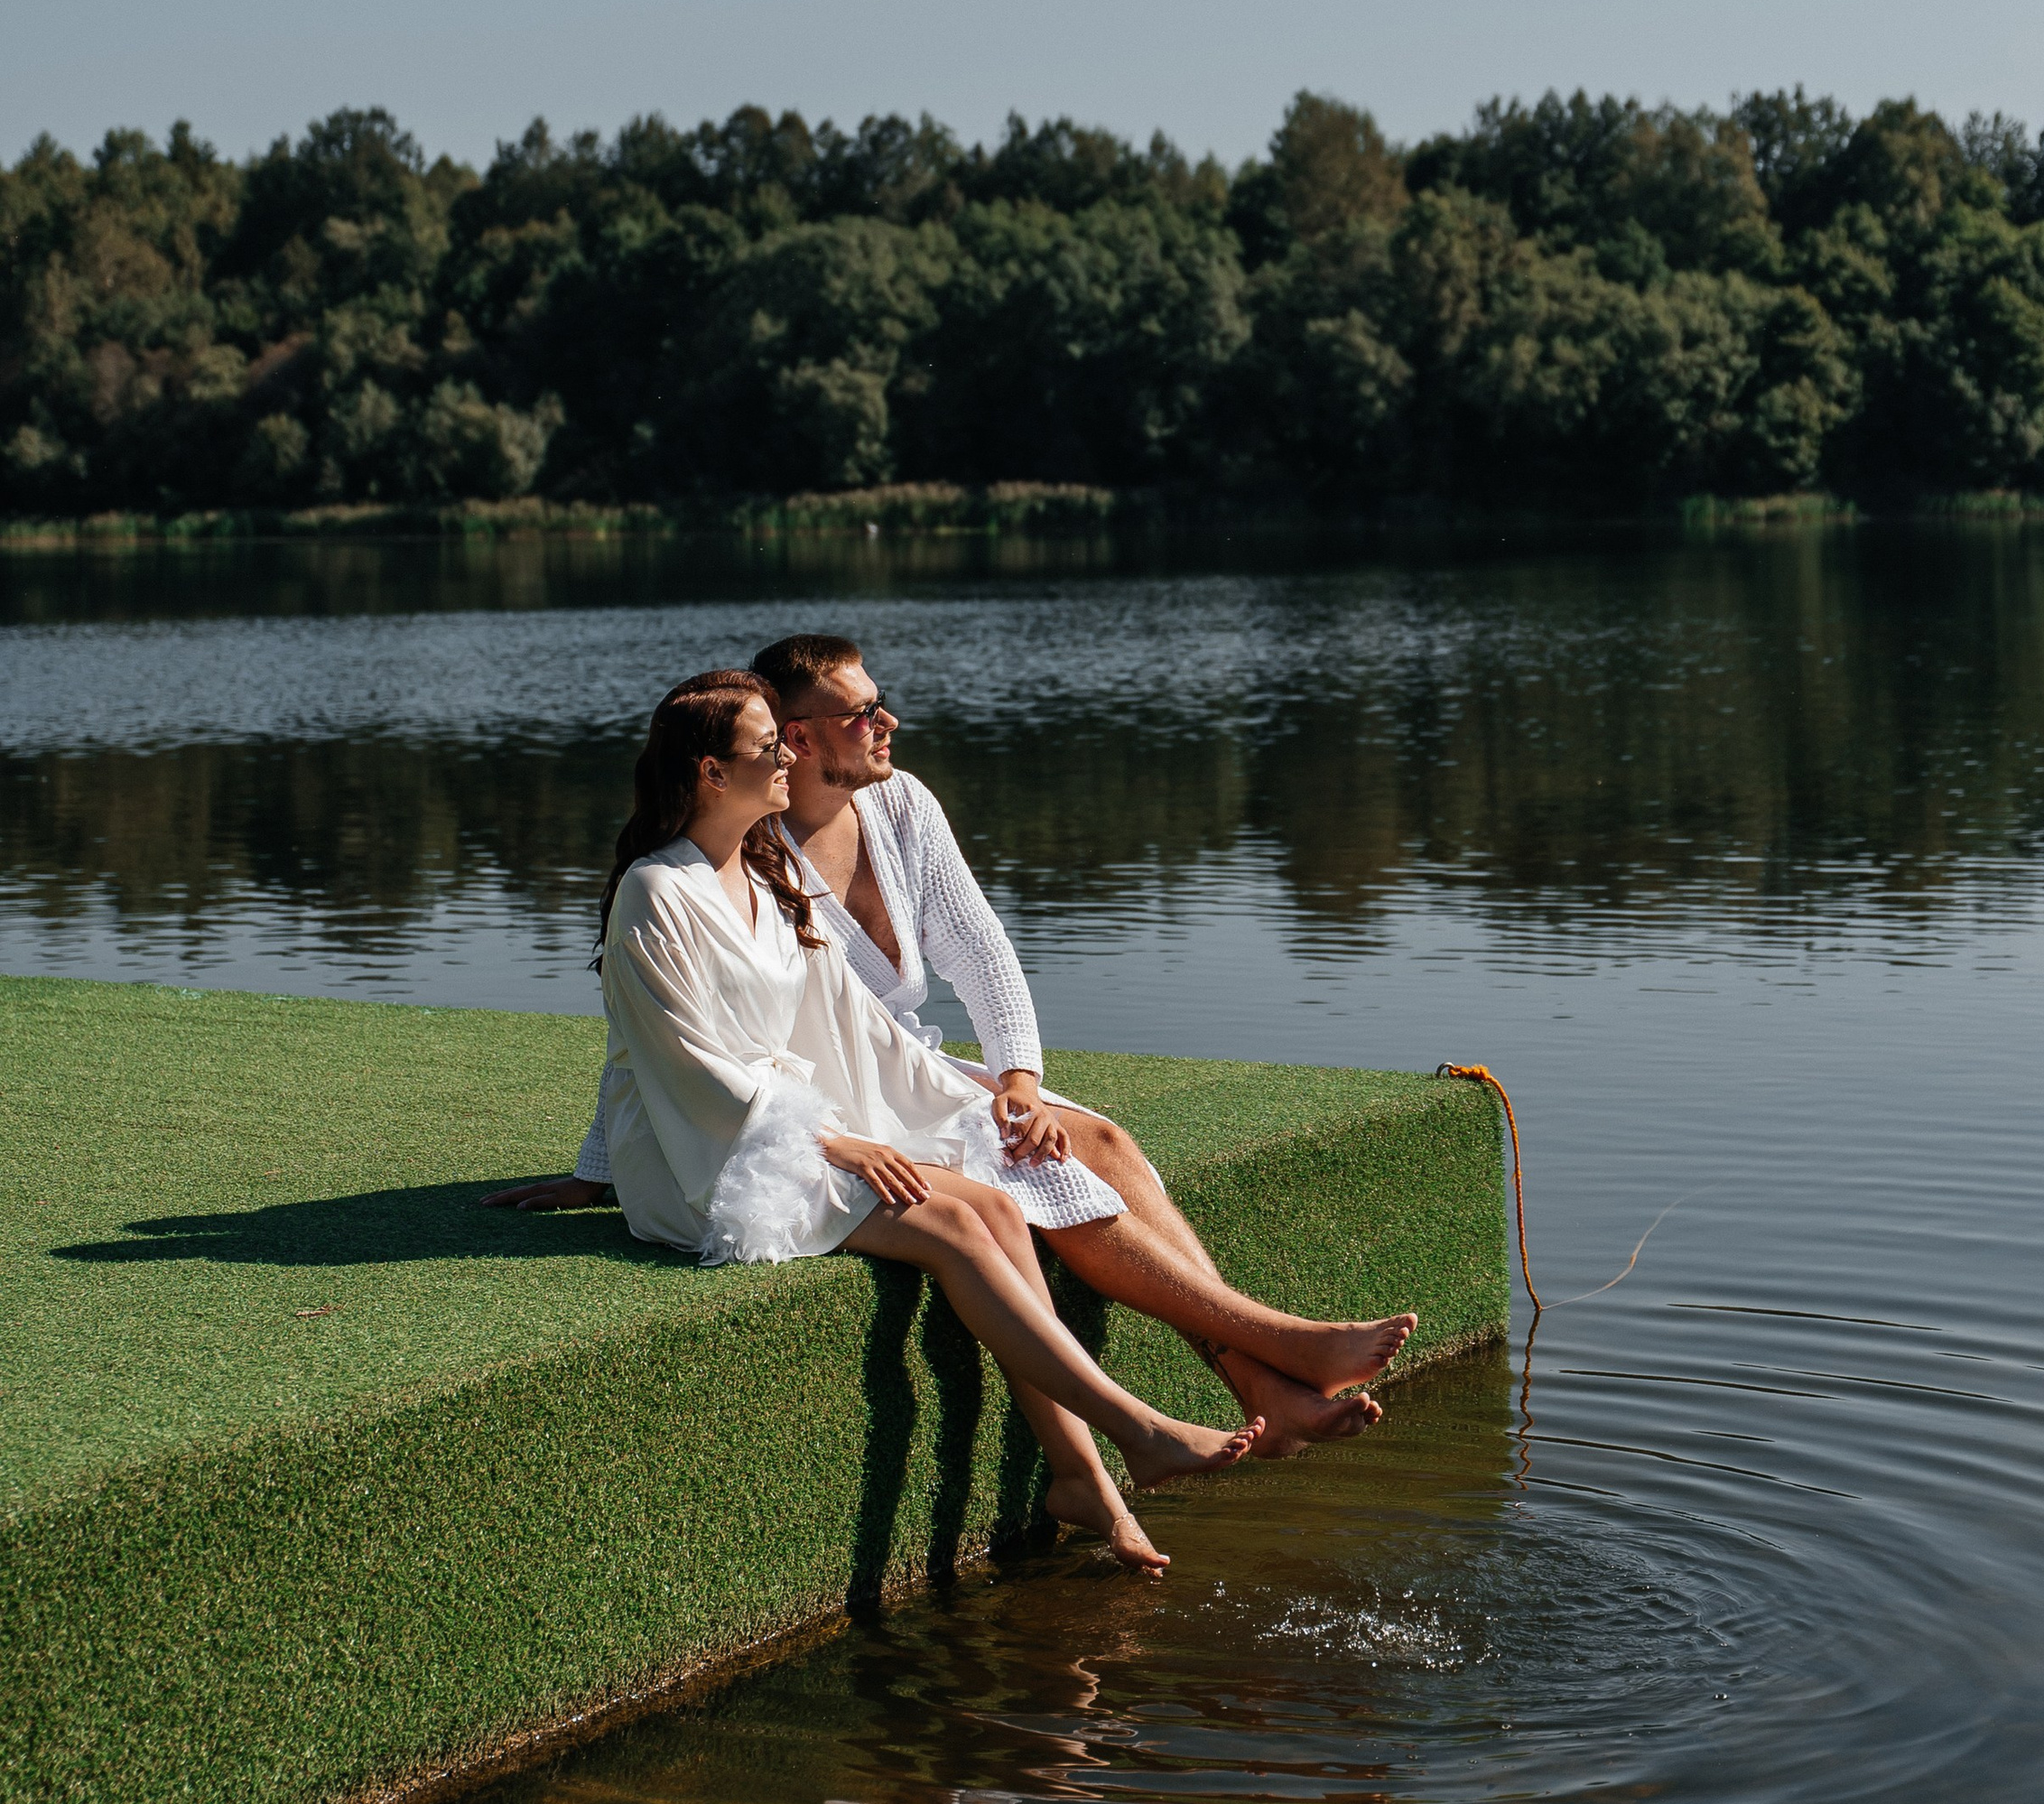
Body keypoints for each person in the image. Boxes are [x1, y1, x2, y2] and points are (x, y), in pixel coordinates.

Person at [493, 631, 1417, 1455]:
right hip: (836, 1100)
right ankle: (1274, 1352)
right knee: (1047, 1163)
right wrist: (602, 1165)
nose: (886, 723)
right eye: (861, 713)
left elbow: (980, 949)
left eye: (879, 704)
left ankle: (1260, 1380)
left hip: (898, 1068)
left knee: (1100, 1138)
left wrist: (1017, 1078)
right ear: (798, 737)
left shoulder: (900, 806)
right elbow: (664, 1027)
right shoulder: (745, 844)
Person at [589, 668, 1268, 1575]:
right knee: (953, 1226)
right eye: (769, 747)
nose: (788, 758)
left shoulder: (764, 869)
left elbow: (849, 1027)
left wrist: (974, 1101)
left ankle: (1083, 1481)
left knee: (993, 1203)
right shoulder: (654, 891)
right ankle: (1138, 1428)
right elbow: (683, 1063)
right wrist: (830, 1139)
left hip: (808, 1124)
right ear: (712, 772)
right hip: (708, 1160)